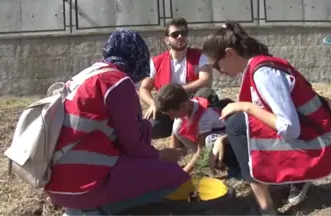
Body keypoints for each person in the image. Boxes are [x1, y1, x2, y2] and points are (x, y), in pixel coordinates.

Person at [44, 29, 193, 216]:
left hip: (57, 185)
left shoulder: (85, 76)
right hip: (87, 185)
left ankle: (79, 210)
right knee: (173, 174)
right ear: (137, 55)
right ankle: (100, 210)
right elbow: (133, 146)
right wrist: (162, 155)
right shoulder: (118, 83)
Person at [201, 21, 331, 215]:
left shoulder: (264, 73)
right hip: (311, 141)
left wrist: (246, 107)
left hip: (317, 148)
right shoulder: (258, 68)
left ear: (230, 53)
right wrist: (223, 139)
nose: (218, 71)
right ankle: (288, 180)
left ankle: (266, 207)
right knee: (231, 147)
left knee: (236, 123)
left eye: (216, 64)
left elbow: (290, 128)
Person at [139, 17, 213, 139]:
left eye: (183, 33)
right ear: (167, 40)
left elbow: (206, 80)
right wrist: (153, 104)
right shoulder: (156, 61)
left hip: (191, 104)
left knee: (205, 92)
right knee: (151, 128)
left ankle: (193, 132)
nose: (180, 37)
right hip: (168, 107)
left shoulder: (200, 56)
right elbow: (144, 88)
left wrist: (178, 92)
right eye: (175, 34)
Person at [154, 83, 231, 173]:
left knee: (208, 141)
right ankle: (199, 158)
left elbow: (201, 149)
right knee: (177, 127)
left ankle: (216, 161)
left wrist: (184, 172)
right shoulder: (187, 107)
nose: (171, 118)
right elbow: (174, 136)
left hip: (225, 138)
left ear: (183, 105)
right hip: (205, 137)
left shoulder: (205, 117)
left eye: (172, 115)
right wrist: (171, 165)